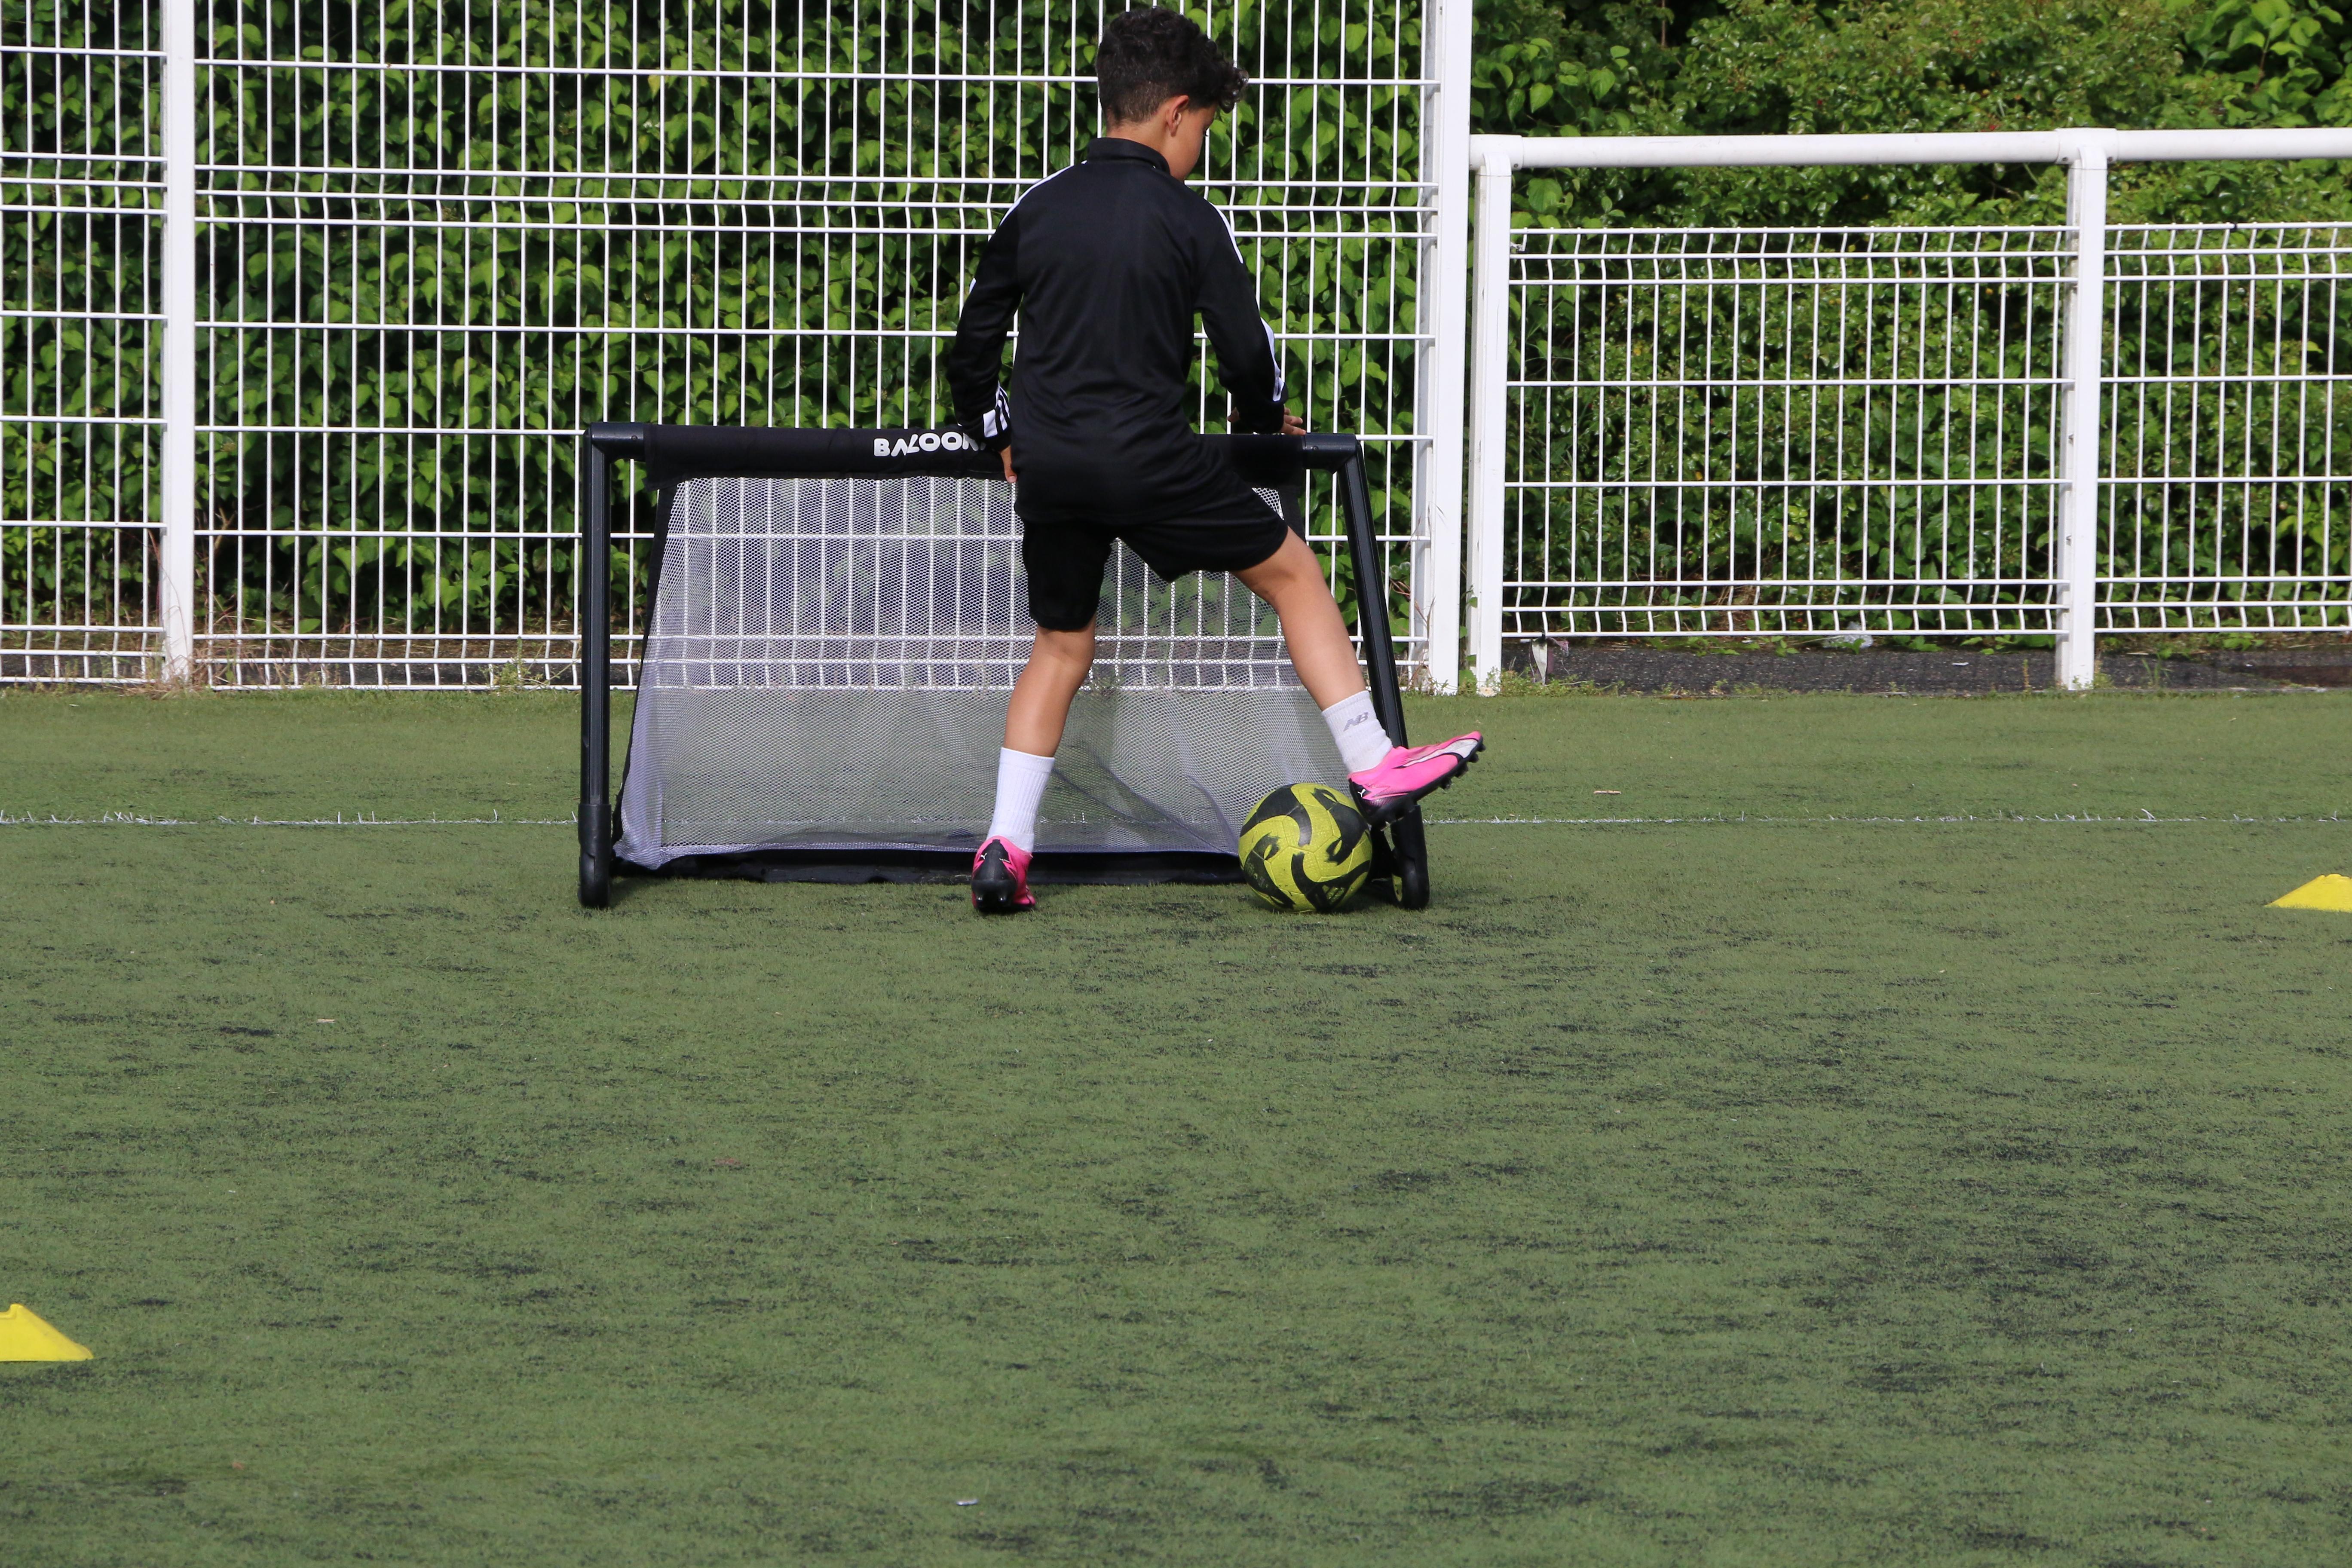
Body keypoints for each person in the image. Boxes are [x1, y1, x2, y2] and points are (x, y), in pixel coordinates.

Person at [946, 6, 1482, 914]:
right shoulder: (1192, 220)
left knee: (1061, 645)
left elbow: (971, 350)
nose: (1199, 144)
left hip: (1053, 470)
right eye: (1203, 128)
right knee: (1294, 573)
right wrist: (1267, 424)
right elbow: (1248, 357)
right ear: (1175, 115)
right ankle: (1374, 764)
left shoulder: (1036, 207)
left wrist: (1002, 436)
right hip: (1154, 462)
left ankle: (1004, 849)